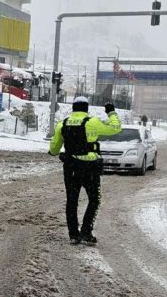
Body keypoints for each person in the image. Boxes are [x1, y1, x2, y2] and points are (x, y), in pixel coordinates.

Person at [49, 97, 122, 245]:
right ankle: (86, 232)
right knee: (94, 199)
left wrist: (56, 150)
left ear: (73, 108)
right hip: (90, 168)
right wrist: (111, 112)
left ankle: (73, 235)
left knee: (72, 200)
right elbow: (116, 128)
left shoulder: (62, 124)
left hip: (71, 168)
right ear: (86, 109)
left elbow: (54, 149)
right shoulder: (92, 122)